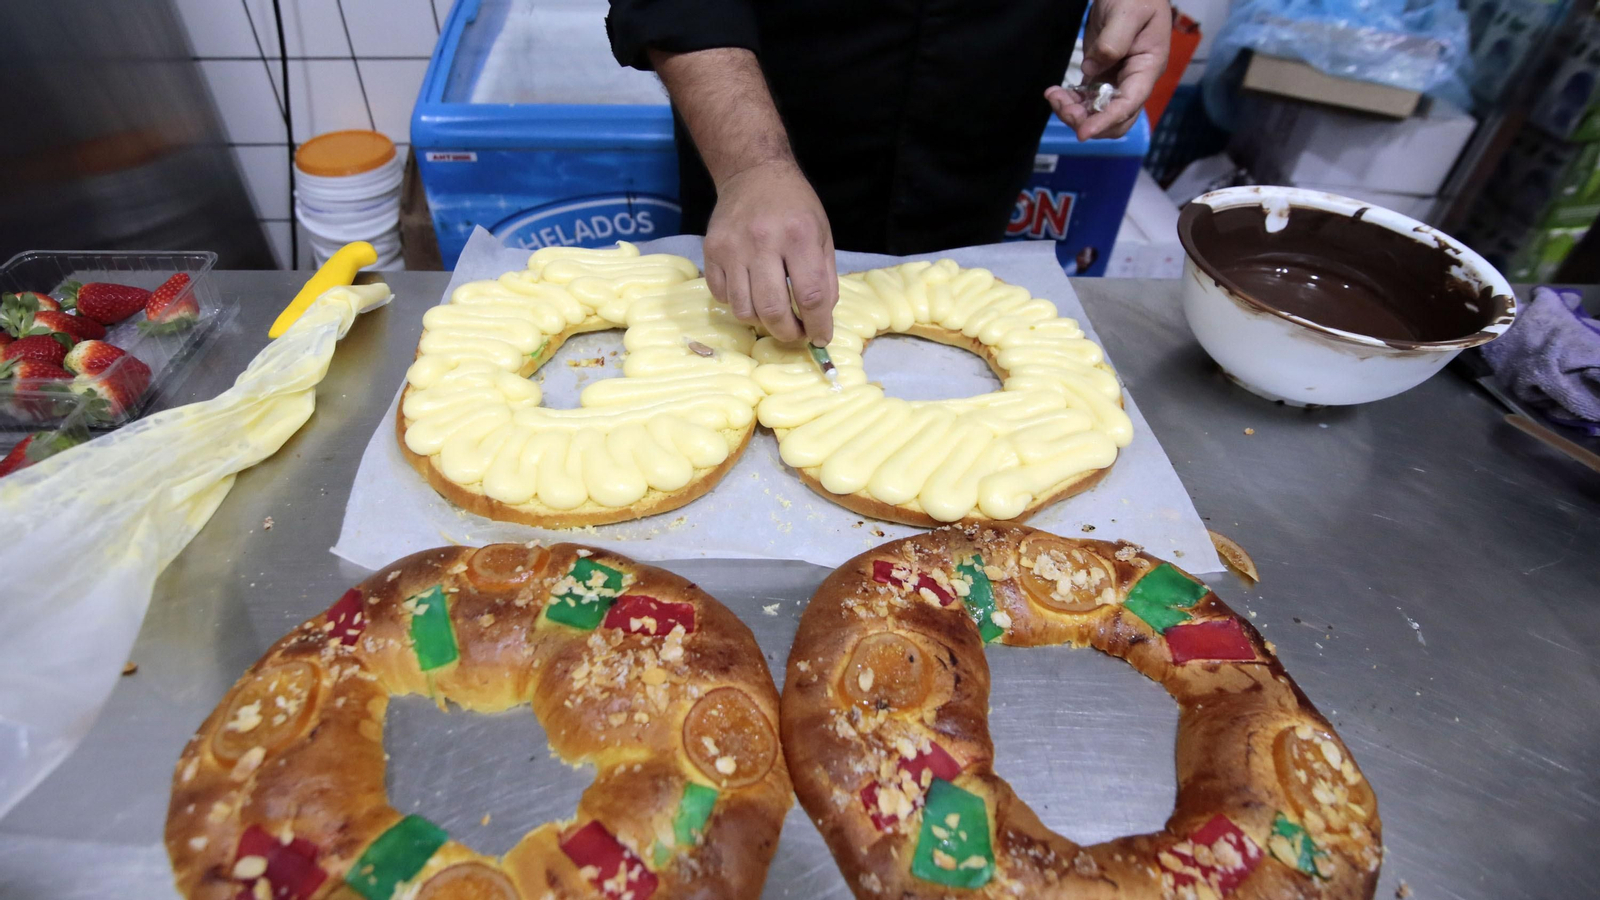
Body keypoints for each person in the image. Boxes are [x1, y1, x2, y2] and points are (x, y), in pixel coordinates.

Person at [606, 0, 1170, 345]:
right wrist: (750, 167)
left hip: (991, 84)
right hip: (769, 83)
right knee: (750, 308)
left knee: (961, 288)